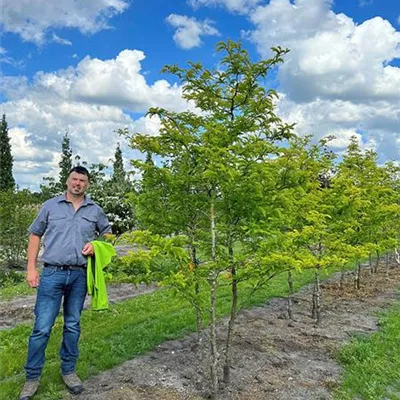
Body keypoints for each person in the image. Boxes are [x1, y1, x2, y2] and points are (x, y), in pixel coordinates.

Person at [19, 166, 111, 400]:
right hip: (52, 274)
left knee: (72, 325)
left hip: (79, 275)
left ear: (87, 184)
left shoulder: (95, 210)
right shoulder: (50, 206)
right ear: (67, 181)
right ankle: (32, 377)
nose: (78, 183)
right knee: (41, 328)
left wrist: (97, 245)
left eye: (82, 180)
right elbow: (34, 234)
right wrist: (31, 268)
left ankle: (69, 371)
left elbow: (108, 236)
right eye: (74, 179)